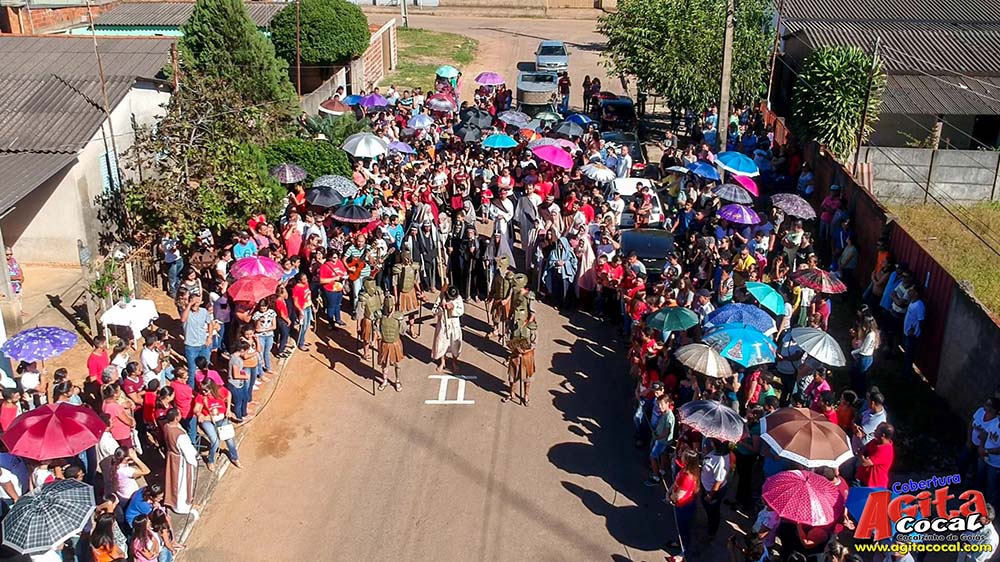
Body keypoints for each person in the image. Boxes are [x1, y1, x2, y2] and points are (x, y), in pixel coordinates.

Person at [192, 379, 240, 471]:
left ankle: (235, 458)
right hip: (208, 420)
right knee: (215, 441)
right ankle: (210, 460)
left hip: (221, 418)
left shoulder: (220, 390)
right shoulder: (201, 396)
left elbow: (229, 394)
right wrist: (199, 414)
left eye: (206, 390)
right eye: (202, 389)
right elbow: (196, 409)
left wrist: (228, 409)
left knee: (229, 439)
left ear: (212, 388)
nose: (203, 392)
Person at [161, 408, 198, 515]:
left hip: (172, 457)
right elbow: (187, 450)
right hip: (181, 461)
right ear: (177, 418)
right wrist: (194, 459)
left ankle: (175, 502)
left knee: (173, 480)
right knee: (182, 483)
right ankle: (183, 506)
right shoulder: (179, 435)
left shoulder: (166, 426)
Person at [668, 449, 701, 550]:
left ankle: (683, 549)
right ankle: (681, 544)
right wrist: (669, 490)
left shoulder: (688, 477)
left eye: (682, 456)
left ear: (686, 460)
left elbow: (678, 496)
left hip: (684, 506)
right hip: (683, 504)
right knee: (683, 528)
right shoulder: (686, 469)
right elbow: (676, 482)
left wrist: (671, 496)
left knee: (683, 529)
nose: (680, 456)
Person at [701, 438, 731, 540]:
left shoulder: (720, 460)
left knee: (713, 511)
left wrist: (710, 495)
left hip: (712, 491)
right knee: (708, 507)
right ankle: (710, 522)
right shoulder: (715, 453)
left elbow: (719, 480)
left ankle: (712, 532)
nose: (710, 442)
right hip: (706, 486)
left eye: (713, 441)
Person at [432, 286, 465, 373]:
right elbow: (434, 311)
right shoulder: (441, 297)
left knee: (455, 344)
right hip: (443, 324)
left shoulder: (458, 298)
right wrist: (441, 307)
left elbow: (461, 311)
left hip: (454, 325)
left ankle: (454, 362)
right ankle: (442, 362)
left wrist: (453, 308)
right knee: (442, 344)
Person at [376, 295, 406, 392]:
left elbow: (403, 331)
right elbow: (376, 327)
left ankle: (397, 380)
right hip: (384, 343)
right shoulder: (380, 316)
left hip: (395, 343)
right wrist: (377, 334)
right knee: (384, 363)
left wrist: (402, 322)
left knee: (397, 364)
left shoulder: (398, 317)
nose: (388, 309)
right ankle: (384, 380)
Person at [181, 294, 212, 383]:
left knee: (206, 368)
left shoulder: (204, 312)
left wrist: (209, 337)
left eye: (197, 302)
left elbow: (210, 323)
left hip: (203, 345)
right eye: (194, 302)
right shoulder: (186, 312)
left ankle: (206, 387)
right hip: (191, 346)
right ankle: (191, 390)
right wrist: (189, 304)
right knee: (192, 370)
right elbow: (183, 319)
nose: (195, 304)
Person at [392, 251, 423, 337]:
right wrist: (396, 297)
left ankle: (411, 328)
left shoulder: (414, 267)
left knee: (412, 312)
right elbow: (395, 284)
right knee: (400, 313)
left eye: (409, 257)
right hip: (402, 293)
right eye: (406, 257)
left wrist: (420, 291)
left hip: (411, 291)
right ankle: (399, 329)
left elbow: (416, 281)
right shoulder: (398, 268)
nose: (408, 259)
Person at [857, 422, 895, 489]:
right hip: (863, 480)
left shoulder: (885, 450)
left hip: (875, 485)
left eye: (876, 430)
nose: (874, 431)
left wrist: (862, 455)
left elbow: (865, 463)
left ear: (882, 435)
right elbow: (862, 449)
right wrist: (863, 455)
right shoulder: (874, 441)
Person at [357, 277, 384, 357]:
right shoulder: (363, 297)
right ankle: (366, 352)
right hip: (367, 319)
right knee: (366, 336)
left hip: (378, 315)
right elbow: (360, 312)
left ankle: (376, 345)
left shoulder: (378, 292)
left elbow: (382, 302)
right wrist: (358, 325)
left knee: (379, 333)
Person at [291, 272, 313, 351]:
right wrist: (300, 311)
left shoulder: (306, 284)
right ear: (299, 281)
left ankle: (302, 340)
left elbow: (308, 295)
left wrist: (311, 304)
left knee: (307, 325)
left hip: (308, 306)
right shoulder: (296, 288)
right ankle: (301, 343)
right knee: (303, 326)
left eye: (306, 278)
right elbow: (295, 302)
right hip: (302, 308)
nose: (306, 280)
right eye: (303, 279)